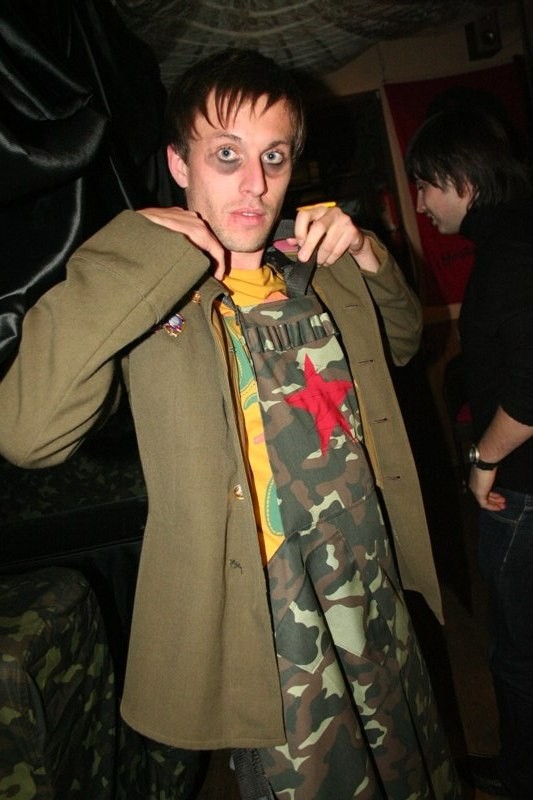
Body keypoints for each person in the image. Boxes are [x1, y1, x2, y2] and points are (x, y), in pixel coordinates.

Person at [0, 49, 461, 799]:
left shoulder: (319, 266)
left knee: (411, 767)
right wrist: (130, 247)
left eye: (273, 156)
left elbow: (405, 340)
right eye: (226, 155)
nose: (255, 183)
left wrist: (367, 249)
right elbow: (26, 431)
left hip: (370, 578)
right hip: (269, 620)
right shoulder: (153, 298)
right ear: (178, 164)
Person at [406, 108, 533, 799]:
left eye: (426, 185)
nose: (420, 203)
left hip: (521, 490)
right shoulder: (515, 235)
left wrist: (482, 461)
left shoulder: (510, 250)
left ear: (463, 179)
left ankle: (519, 777)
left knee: (515, 653)